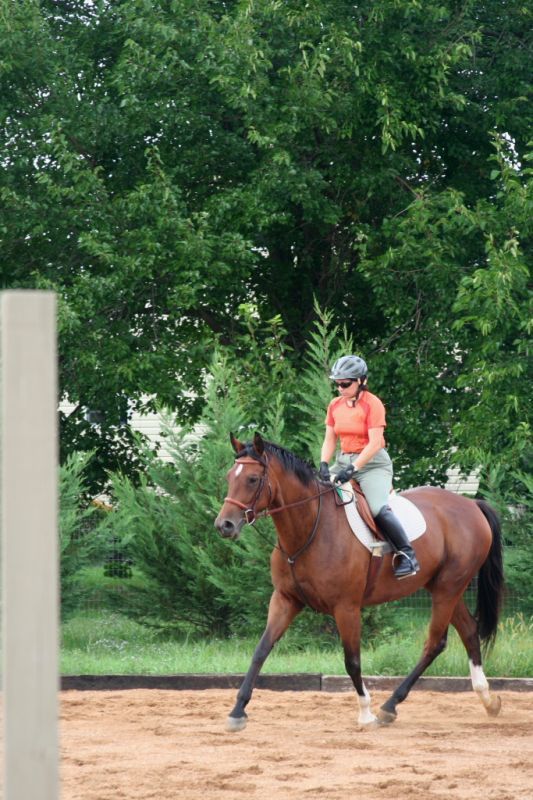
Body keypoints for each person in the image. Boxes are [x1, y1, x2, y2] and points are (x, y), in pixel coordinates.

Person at [319, 355, 420, 580]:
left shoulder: (372, 404)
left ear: (361, 381)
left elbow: (374, 443)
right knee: (316, 493)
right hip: (343, 461)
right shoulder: (335, 405)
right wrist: (324, 463)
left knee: (376, 508)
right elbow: (329, 439)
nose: (340, 388)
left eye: (345, 384)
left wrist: (353, 468)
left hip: (373, 465)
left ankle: (407, 554)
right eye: (337, 384)